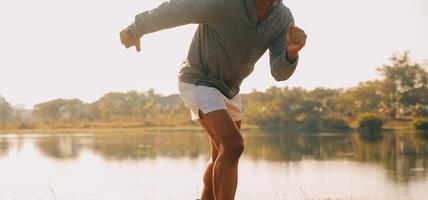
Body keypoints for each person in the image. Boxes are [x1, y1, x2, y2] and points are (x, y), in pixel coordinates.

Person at [120, 0, 306, 199]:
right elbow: (178, 9)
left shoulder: (282, 18)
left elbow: (279, 72)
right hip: (199, 80)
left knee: (222, 153)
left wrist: (291, 52)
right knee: (233, 145)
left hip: (230, 89)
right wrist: (137, 27)